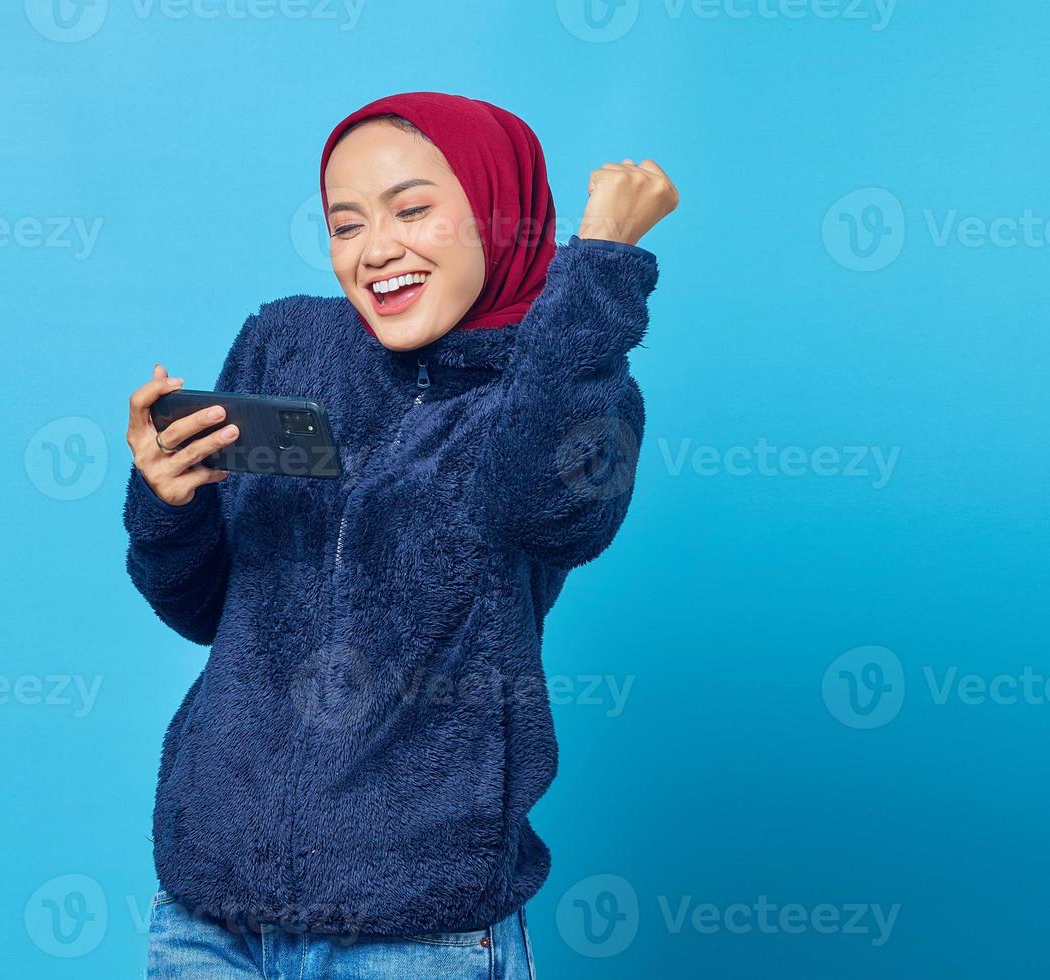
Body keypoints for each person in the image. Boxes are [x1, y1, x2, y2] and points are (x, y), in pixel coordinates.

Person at [124, 90, 678, 978]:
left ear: (502, 215)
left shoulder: (572, 391)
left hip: (415, 933)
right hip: (209, 917)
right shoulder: (287, 346)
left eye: (413, 210)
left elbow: (546, 508)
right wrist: (169, 501)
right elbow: (202, 608)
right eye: (346, 225)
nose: (376, 249)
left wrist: (604, 263)